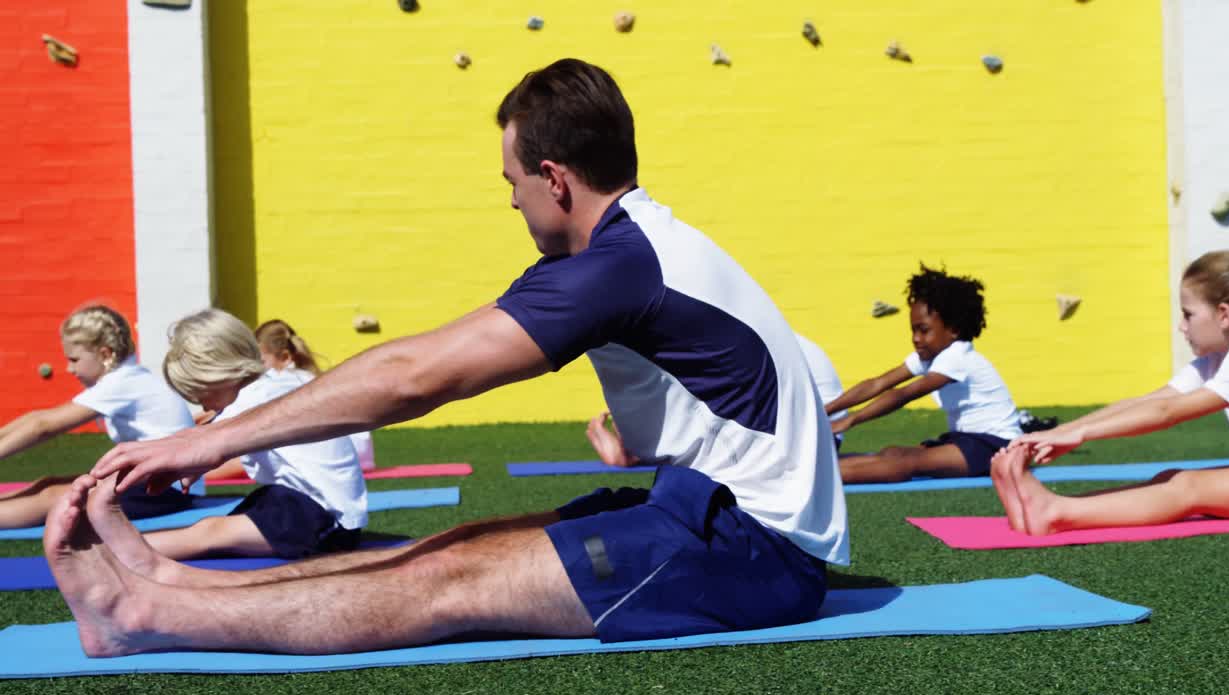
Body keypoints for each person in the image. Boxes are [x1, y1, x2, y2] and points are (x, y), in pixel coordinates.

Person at [47, 58, 848, 659]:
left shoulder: (620, 268)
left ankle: (144, 618)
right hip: (705, 509)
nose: (509, 200)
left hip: (759, 553)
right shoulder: (626, 251)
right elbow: (427, 354)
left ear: (554, 179)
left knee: (448, 583)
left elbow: (414, 380)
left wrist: (203, 441)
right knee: (448, 547)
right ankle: (174, 584)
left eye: (512, 181)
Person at [992, 250, 1229, 535]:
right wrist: (1063, 431)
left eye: (1188, 314)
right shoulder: (1220, 357)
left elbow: (1166, 413)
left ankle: (1054, 512)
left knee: (1189, 487)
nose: (1182, 326)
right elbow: (1152, 401)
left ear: (1223, 315)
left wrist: (1080, 435)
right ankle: (1050, 508)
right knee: (1167, 479)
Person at [136, 309, 367, 559]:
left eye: (202, 397)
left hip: (324, 519)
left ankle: (119, 553)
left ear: (220, 376)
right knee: (216, 527)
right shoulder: (276, 384)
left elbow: (192, 446)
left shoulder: (255, 398)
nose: (203, 407)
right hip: (300, 501)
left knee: (208, 532)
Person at [0, 305, 196, 528]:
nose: (69, 369)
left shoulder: (122, 383)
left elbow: (43, 427)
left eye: (74, 360)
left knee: (56, 496)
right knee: (49, 484)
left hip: (165, 489)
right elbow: (37, 418)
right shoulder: (125, 378)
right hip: (159, 483)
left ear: (105, 354)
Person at [824, 265, 1022, 484]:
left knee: (904, 461)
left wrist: (851, 420)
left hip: (997, 446)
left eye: (924, 330)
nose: (916, 338)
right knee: (893, 452)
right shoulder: (930, 356)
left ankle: (817, 480)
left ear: (953, 329)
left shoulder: (957, 356)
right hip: (967, 438)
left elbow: (905, 394)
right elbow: (877, 384)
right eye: (913, 330)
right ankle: (817, 473)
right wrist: (826, 411)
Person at [586, 331, 848, 465]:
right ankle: (630, 446)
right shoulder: (755, 338)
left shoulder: (745, 343)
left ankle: (629, 448)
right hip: (811, 435)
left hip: (808, 438)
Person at [202, 318, 376, 479]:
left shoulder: (275, 381)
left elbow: (219, 422)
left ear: (285, 358)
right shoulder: (308, 377)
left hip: (330, 455)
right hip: (358, 455)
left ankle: (193, 477)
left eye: (260, 362)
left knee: (252, 450)